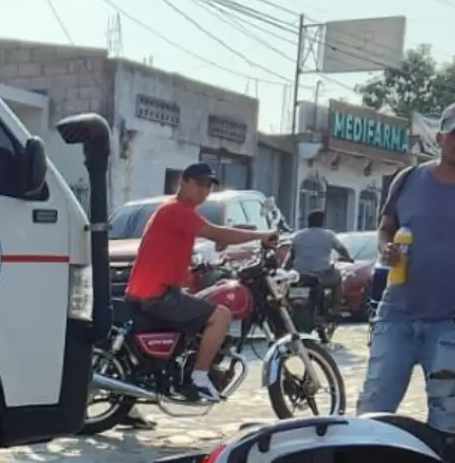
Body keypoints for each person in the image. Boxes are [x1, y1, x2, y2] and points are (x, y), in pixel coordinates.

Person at [357, 100, 455, 432]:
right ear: (440, 138)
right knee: (373, 410)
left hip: (454, 324)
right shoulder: (409, 179)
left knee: (443, 420)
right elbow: (386, 227)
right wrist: (386, 248)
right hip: (396, 315)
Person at [124, 162, 278, 402]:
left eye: (208, 186)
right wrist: (262, 236)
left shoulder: (179, 212)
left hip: (153, 290)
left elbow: (182, 249)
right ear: (183, 183)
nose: (204, 191)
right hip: (158, 294)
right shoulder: (176, 210)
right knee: (221, 315)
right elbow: (218, 233)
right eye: (200, 184)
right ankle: (200, 376)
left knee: (200, 305)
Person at [286, 210, 352, 312]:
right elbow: (341, 249)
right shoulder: (329, 235)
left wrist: (286, 267)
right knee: (338, 279)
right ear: (322, 222)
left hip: (300, 273)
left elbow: (292, 255)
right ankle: (335, 306)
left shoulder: (298, 236)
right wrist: (348, 258)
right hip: (322, 273)